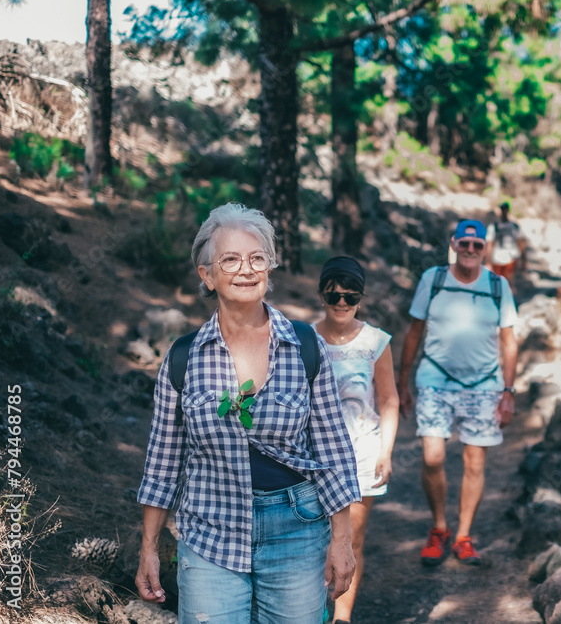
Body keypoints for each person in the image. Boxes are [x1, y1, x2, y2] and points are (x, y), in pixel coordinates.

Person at [135, 203, 360, 624]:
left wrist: (342, 541)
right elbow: (162, 462)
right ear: (207, 275)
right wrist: (148, 548)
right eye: (231, 259)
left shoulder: (306, 345)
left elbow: (333, 450)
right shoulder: (184, 357)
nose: (246, 269)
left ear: (270, 268)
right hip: (209, 530)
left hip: (297, 527)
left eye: (258, 257)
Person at [397, 219, 519, 567]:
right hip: (435, 379)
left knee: (475, 461)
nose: (469, 250)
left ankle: (463, 535)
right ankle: (439, 527)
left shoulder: (498, 286)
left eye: (476, 245)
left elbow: (509, 342)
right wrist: (403, 382)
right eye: (463, 244)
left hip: (484, 385)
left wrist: (508, 391)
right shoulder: (433, 279)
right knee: (433, 456)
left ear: (485, 249)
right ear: (453, 244)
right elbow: (414, 331)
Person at [312, 256, 398, 624]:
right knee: (313, 543)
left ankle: (341, 617)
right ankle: (310, 611)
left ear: (362, 297)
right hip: (313, 456)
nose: (343, 303)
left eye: (352, 295)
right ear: (322, 296)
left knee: (353, 541)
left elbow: (390, 398)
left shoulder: (376, 341)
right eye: (335, 296)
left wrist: (387, 451)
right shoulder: (304, 339)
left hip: (362, 453)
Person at [486, 201, 527, 292]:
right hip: (497, 258)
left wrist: (524, 259)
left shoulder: (514, 226)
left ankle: (509, 303)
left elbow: (520, 242)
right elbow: (490, 244)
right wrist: (488, 261)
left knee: (509, 283)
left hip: (511, 257)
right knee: (497, 283)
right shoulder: (494, 226)